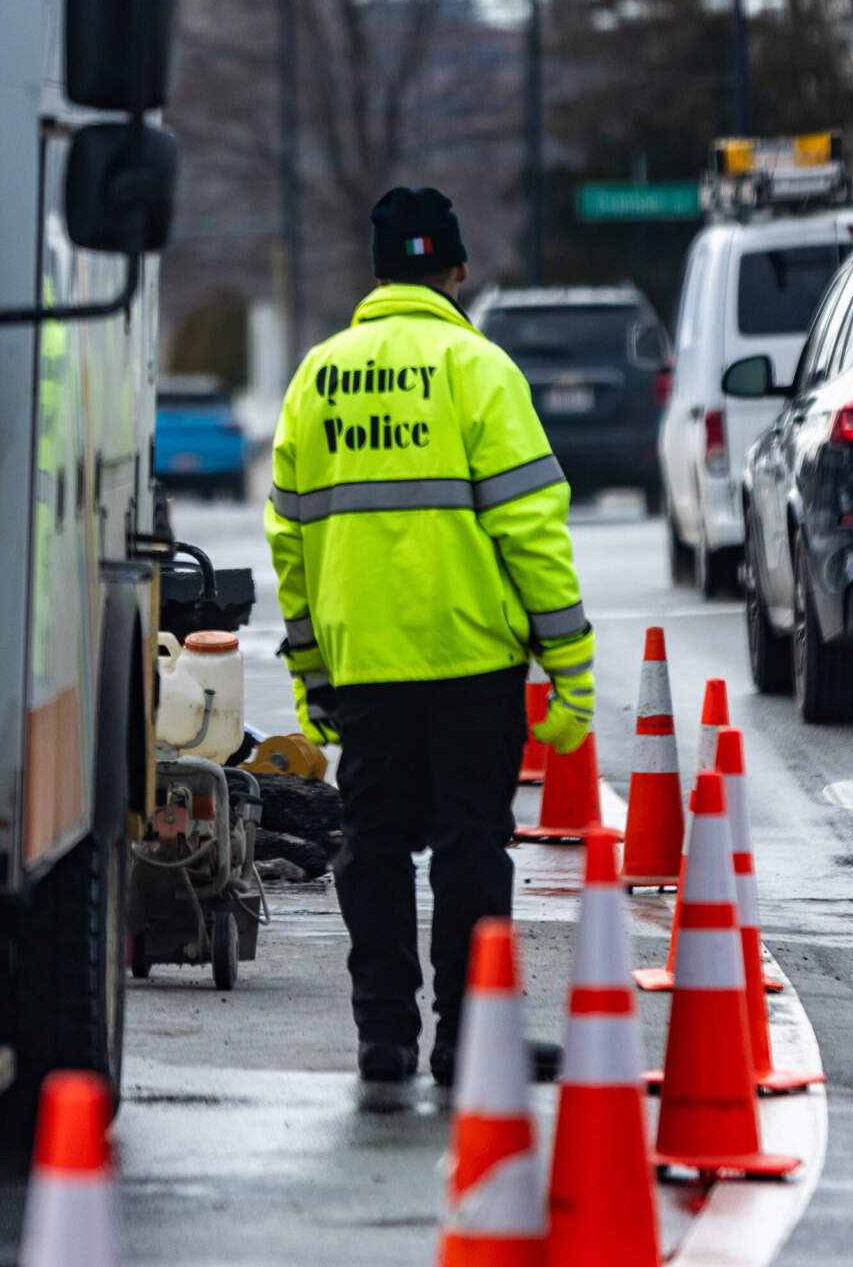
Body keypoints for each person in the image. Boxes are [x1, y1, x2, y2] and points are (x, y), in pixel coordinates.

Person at [264, 186, 593, 1090]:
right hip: (472, 660)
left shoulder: (316, 376)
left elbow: (289, 540)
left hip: (365, 663)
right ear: (456, 270)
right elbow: (533, 531)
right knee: (470, 847)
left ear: (376, 272)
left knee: (371, 845)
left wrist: (312, 673)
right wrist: (569, 668)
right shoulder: (477, 368)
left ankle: (384, 1037)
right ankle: (467, 1039)